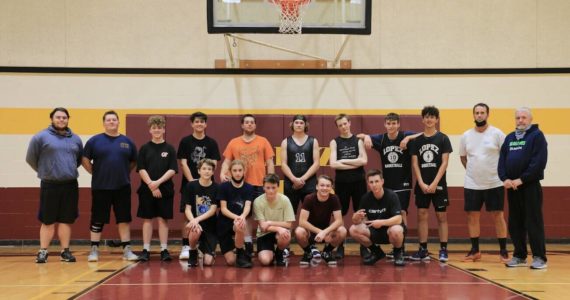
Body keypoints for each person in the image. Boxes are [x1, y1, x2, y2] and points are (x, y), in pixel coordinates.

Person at [358, 112, 421, 257]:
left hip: (403, 182)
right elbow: (359, 136)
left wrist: (408, 138)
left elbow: (424, 135)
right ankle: (392, 244)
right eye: (388, 123)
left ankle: (401, 247)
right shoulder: (381, 139)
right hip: (387, 183)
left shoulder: (406, 134)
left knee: (402, 212)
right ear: (385, 124)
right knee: (391, 213)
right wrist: (367, 136)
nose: (391, 126)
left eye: (394, 123)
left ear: (398, 124)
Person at [26, 107, 83, 263]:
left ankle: (65, 252)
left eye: (64, 117)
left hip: (70, 185)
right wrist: (46, 171)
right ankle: (43, 251)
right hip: (49, 184)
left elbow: (78, 160)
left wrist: (66, 169)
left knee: (66, 220)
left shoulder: (76, 139)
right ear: (52, 119)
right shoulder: (41, 137)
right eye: (58, 117)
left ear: (68, 119)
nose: (61, 120)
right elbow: (31, 158)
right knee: (48, 220)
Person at [82, 110, 138, 262]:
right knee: (97, 219)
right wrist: (94, 172)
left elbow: (134, 161)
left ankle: (127, 250)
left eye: (114, 120)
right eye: (108, 120)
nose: (111, 122)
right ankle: (94, 250)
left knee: (124, 219)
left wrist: (125, 172)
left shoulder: (128, 141)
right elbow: (85, 159)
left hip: (122, 187)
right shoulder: (94, 141)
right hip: (101, 187)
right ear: (104, 123)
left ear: (118, 122)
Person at [499, 107, 548, 269]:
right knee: (515, 223)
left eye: (524, 117)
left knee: (533, 222)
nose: (520, 120)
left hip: (530, 186)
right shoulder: (509, 138)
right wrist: (505, 178)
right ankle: (519, 255)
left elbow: (538, 162)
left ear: (530, 119)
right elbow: (502, 160)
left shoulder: (537, 136)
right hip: (512, 188)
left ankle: (539, 257)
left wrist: (522, 179)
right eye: (518, 118)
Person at [459, 103, 509, 262]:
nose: (479, 115)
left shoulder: (497, 134)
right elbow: (463, 157)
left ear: (488, 114)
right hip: (472, 183)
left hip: (494, 182)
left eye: (482, 113)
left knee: (498, 215)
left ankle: (503, 251)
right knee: (472, 216)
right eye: (477, 113)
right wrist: (473, 172)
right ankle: (475, 251)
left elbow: (506, 156)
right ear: (473, 115)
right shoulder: (466, 135)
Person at [220, 114, 275, 256]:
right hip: (241, 185)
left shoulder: (263, 141)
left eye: (252, 122)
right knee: (247, 215)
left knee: (261, 214)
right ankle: (248, 242)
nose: (249, 124)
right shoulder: (234, 142)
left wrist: (270, 180)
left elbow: (269, 162)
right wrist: (222, 173)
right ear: (242, 125)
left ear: (255, 125)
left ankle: (264, 243)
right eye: (246, 122)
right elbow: (226, 162)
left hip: (259, 183)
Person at [409, 106, 453, 262]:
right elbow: (415, 164)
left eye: (432, 117)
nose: (429, 119)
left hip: (438, 185)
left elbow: (444, 163)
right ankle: (423, 249)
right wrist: (420, 182)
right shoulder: (417, 141)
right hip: (422, 185)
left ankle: (443, 249)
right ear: (422, 119)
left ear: (437, 119)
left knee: (441, 216)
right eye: (426, 117)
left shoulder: (443, 138)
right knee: (422, 215)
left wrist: (434, 183)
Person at [177, 111, 221, 260]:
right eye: (196, 121)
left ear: (205, 124)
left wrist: (205, 176)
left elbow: (214, 163)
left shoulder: (212, 142)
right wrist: (192, 182)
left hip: (207, 183)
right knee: (187, 215)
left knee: (207, 210)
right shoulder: (185, 141)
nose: (199, 124)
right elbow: (183, 163)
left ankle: (205, 245)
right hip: (191, 183)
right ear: (192, 124)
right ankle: (186, 246)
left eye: (202, 122)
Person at [136, 116, 178, 262]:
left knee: (162, 220)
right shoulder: (144, 148)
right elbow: (141, 168)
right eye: (154, 128)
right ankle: (146, 249)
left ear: (163, 129)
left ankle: (164, 249)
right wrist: (151, 185)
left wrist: (158, 183)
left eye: (159, 128)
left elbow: (173, 169)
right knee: (147, 220)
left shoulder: (170, 149)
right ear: (150, 130)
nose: (157, 130)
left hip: (165, 190)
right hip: (147, 190)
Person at [329, 113, 367, 258]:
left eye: (345, 123)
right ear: (337, 127)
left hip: (359, 182)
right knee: (340, 214)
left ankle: (364, 246)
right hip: (342, 183)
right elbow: (333, 164)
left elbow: (363, 161)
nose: (343, 127)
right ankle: (339, 246)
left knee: (361, 213)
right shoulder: (334, 142)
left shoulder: (358, 140)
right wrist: (354, 162)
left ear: (349, 123)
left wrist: (342, 162)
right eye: (340, 125)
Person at [350, 169, 405, 267]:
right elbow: (356, 221)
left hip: (390, 231)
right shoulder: (365, 198)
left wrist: (382, 222)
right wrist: (355, 217)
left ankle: (398, 253)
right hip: (374, 231)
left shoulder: (392, 196)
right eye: (371, 182)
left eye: (376, 181)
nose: (374, 184)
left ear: (382, 182)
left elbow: (399, 219)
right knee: (353, 229)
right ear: (368, 184)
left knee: (396, 229)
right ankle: (377, 252)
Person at [295, 175, 346, 265]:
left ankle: (327, 252)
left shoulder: (334, 198)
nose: (325, 188)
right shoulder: (309, 198)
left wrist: (325, 232)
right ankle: (308, 253)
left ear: (331, 187)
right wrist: (320, 232)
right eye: (322, 185)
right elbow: (302, 222)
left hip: (327, 231)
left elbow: (339, 220)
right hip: (310, 231)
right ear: (317, 186)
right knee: (299, 231)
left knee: (342, 230)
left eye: (327, 186)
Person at [217, 160, 254, 268]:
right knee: (230, 261)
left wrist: (242, 217)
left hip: (238, 222)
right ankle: (239, 252)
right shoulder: (223, 187)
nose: (237, 173)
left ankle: (240, 252)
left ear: (244, 171)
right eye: (235, 170)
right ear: (230, 172)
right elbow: (223, 209)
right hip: (224, 224)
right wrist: (237, 217)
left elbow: (247, 206)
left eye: (240, 170)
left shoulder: (249, 188)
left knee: (240, 224)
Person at [280, 115, 320, 215]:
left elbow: (316, 163)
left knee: (311, 213)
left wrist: (302, 179)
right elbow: (283, 164)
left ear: (305, 125)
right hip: (291, 183)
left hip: (309, 183)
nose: (299, 125)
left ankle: (310, 231)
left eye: (301, 123)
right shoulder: (285, 142)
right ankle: (287, 231)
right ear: (292, 125)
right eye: (296, 122)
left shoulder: (313, 141)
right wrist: (294, 179)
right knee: (289, 214)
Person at [253, 174, 295, 266]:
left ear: (278, 187)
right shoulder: (257, 201)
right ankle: (270, 253)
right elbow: (263, 227)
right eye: (268, 188)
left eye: (273, 187)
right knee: (265, 261)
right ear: (263, 187)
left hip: (280, 234)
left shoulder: (285, 200)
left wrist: (270, 222)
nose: (271, 191)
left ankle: (279, 253)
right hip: (264, 233)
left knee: (286, 234)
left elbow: (289, 225)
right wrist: (278, 228)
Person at [184, 159, 219, 267]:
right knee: (195, 229)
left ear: (213, 172)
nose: (207, 171)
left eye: (209, 169)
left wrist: (196, 219)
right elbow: (187, 209)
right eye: (204, 169)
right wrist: (194, 221)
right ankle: (193, 252)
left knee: (208, 263)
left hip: (211, 227)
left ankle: (206, 250)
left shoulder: (216, 187)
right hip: (196, 224)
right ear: (199, 171)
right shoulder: (191, 186)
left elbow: (213, 210)